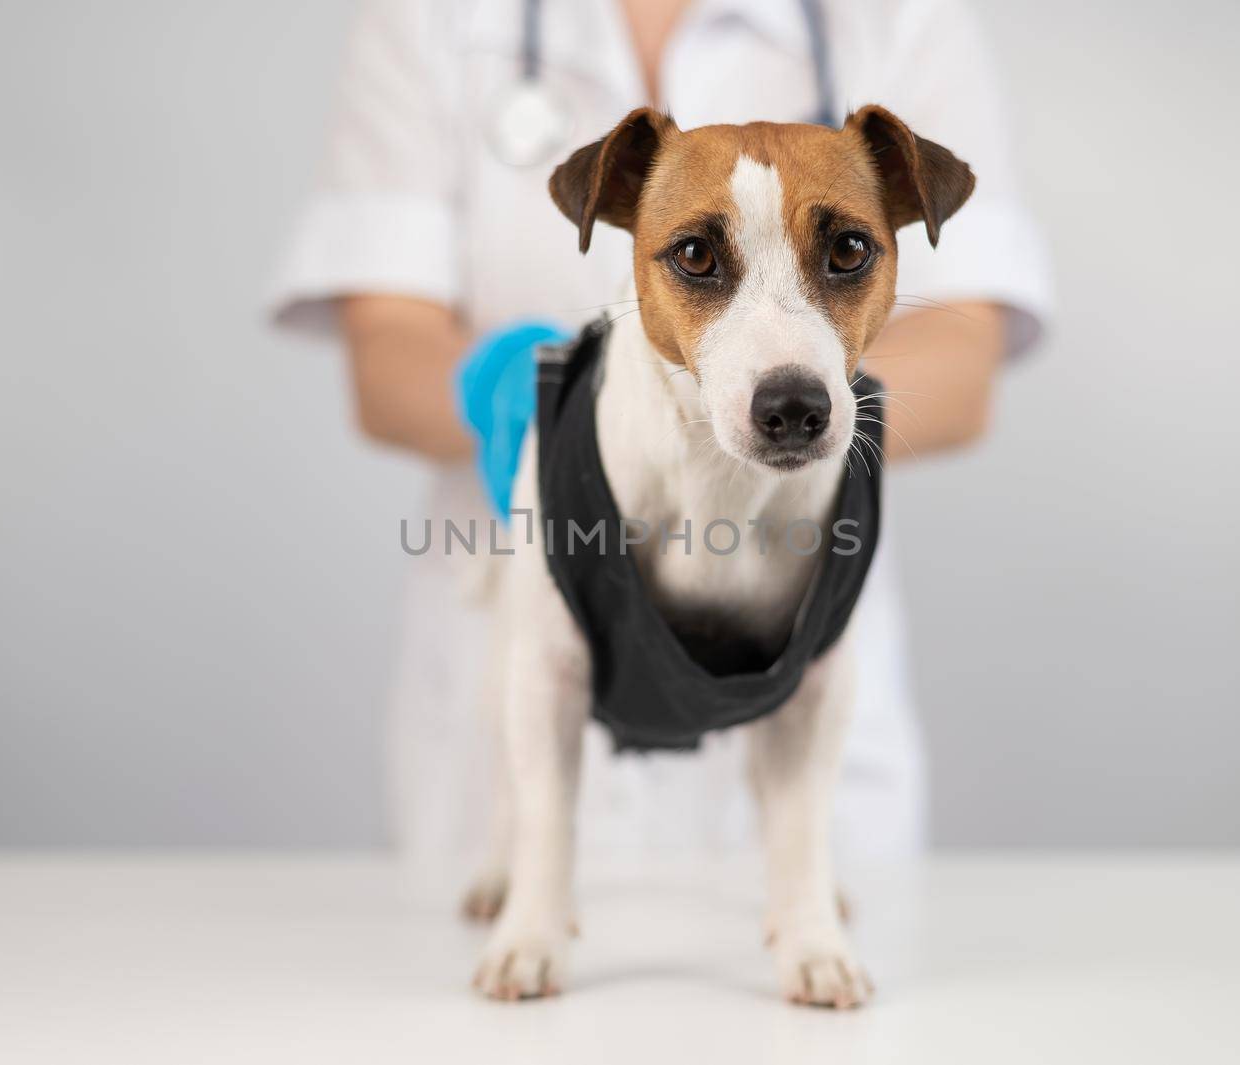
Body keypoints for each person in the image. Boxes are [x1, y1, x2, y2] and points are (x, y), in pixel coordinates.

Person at [269, 0, 1051, 871]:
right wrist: (513, 400)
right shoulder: (429, 17)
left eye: (845, 259)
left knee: (822, 938)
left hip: (797, 656)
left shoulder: (898, 17)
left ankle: (800, 898)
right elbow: (383, 360)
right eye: (698, 262)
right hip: (520, 678)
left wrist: (789, 388)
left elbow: (967, 357)